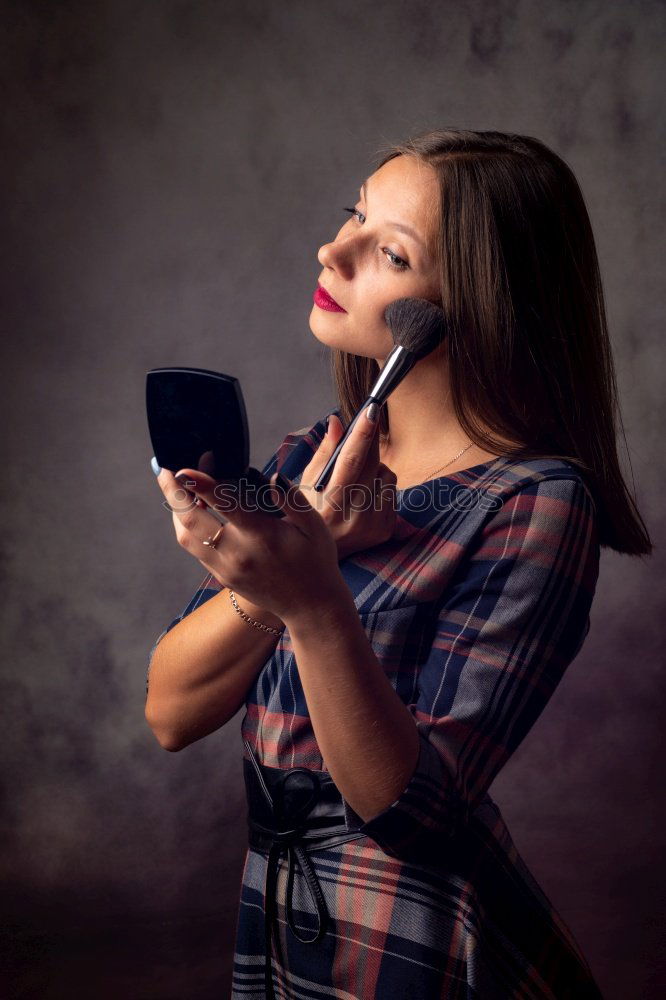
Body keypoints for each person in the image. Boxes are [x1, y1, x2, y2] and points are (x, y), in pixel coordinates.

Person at [145, 129, 652, 999]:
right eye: (354, 216)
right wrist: (299, 563)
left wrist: (309, 598)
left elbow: (413, 815)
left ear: (478, 304)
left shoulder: (534, 501)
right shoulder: (314, 457)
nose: (330, 251)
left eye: (387, 251)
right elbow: (169, 711)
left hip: (414, 934)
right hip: (278, 908)